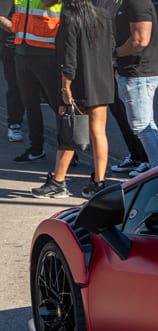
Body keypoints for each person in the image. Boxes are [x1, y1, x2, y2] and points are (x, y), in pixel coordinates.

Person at [30, 0, 114, 199]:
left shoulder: (69, 16)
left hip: (79, 82)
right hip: (101, 81)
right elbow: (111, 46)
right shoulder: (102, 15)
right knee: (98, 133)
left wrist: (65, 86)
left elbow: (69, 56)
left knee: (70, 131)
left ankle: (58, 182)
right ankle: (98, 182)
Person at [5, 0, 63, 164]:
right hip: (22, 51)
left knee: (57, 103)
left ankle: (68, 149)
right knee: (30, 103)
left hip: (47, 53)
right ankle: (36, 148)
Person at [114, 0, 158, 174]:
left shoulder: (137, 2)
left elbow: (140, 40)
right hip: (133, 72)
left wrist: (113, 53)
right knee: (146, 124)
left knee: (142, 126)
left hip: (138, 72)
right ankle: (154, 165)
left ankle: (157, 171)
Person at [1, 8, 25, 143]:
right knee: (16, 86)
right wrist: (21, 30)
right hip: (13, 45)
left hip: (41, 45)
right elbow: (1, 16)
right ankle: (14, 123)